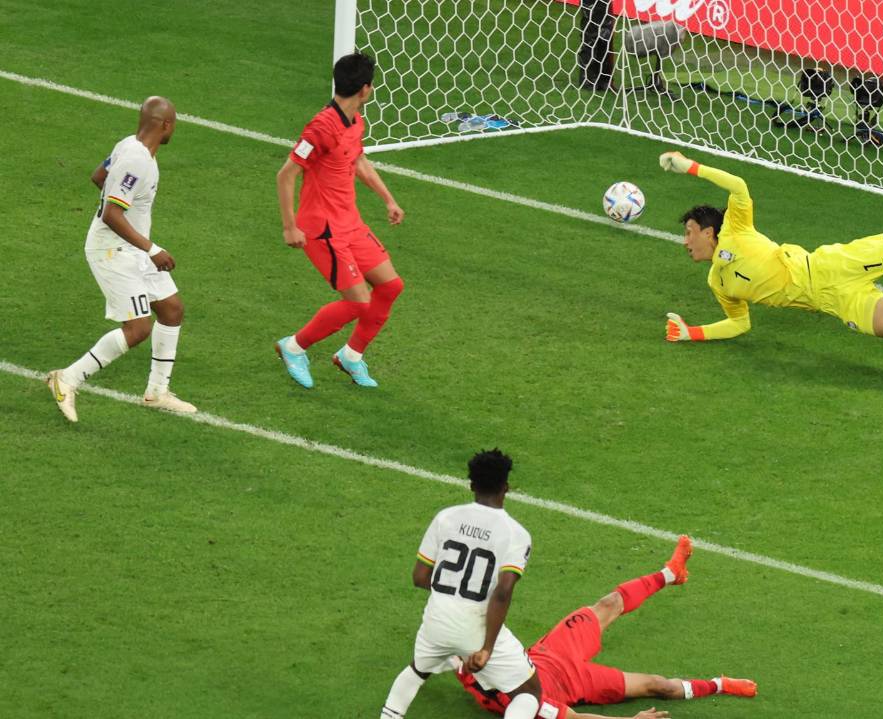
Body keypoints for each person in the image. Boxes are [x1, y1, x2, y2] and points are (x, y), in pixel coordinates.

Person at [658, 151, 883, 342]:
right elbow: (739, 325)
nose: (685, 240)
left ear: (708, 231)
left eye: (690, 231)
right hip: (832, 302)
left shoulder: (736, 227)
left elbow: (738, 185)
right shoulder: (717, 283)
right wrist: (692, 333)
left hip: (829, 266)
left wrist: (691, 167)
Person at [454, 535, 757, 719]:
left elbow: (436, 654)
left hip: (553, 649)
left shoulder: (469, 669)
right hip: (579, 682)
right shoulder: (529, 706)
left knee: (609, 603)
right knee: (658, 685)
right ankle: (721, 683)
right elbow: (575, 716)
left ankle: (671, 573)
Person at [47, 96, 195, 423]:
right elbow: (112, 214)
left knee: (171, 309)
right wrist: (152, 248)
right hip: (113, 250)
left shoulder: (127, 144)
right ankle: (66, 379)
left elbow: (98, 176)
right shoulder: (137, 161)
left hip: (133, 249)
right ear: (166, 126)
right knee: (138, 327)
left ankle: (157, 392)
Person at [275, 52, 405, 389]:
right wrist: (290, 226)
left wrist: (387, 198)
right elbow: (286, 174)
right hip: (323, 229)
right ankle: (293, 347)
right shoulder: (321, 128)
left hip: (351, 223)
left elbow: (357, 160)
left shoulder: (355, 121)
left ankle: (351, 356)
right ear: (365, 88)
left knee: (390, 286)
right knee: (358, 302)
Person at [380, 449, 542, 719]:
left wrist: (451, 589)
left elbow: (419, 577)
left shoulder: (446, 517)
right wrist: (487, 648)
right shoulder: (516, 534)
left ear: (471, 485)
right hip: (476, 626)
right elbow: (502, 592)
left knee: (418, 670)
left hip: (437, 621)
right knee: (529, 693)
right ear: (506, 486)